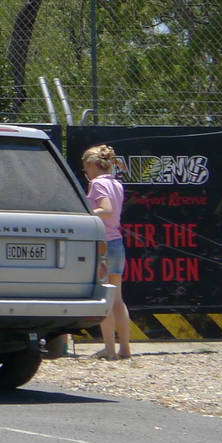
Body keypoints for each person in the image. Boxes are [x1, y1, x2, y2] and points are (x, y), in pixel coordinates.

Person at [83, 144, 132, 360]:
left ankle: (109, 349)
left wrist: (85, 213)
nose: (86, 172)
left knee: (104, 298)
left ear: (93, 164)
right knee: (118, 299)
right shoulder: (116, 184)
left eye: (86, 167)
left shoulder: (97, 183)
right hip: (117, 242)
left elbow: (106, 209)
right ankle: (125, 349)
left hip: (102, 243)